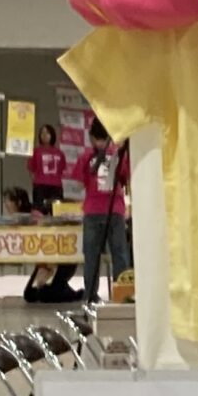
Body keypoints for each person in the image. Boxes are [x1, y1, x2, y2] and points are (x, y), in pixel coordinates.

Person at [78, 116, 131, 303]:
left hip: (92, 209)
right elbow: (125, 178)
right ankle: (122, 295)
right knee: (119, 254)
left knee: (92, 256)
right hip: (115, 209)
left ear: (92, 137)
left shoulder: (86, 156)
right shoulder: (118, 155)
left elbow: (82, 181)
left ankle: (91, 296)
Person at [29, 121, 68, 213]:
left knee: (56, 212)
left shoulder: (59, 153)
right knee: (39, 212)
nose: (44, 135)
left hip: (56, 187)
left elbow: (62, 169)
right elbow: (31, 169)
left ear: (52, 135)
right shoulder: (36, 151)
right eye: (42, 133)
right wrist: (36, 182)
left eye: (47, 133)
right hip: (40, 186)